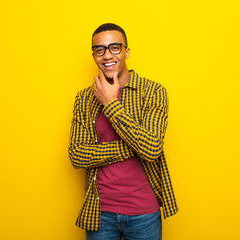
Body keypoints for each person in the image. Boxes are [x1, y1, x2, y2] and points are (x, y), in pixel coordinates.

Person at [68, 23, 178, 240]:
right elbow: (77, 155)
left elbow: (152, 149)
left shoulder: (153, 92)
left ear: (126, 51)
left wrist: (110, 103)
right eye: (100, 50)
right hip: (100, 212)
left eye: (115, 47)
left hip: (144, 212)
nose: (107, 55)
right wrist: (131, 148)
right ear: (94, 56)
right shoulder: (84, 98)